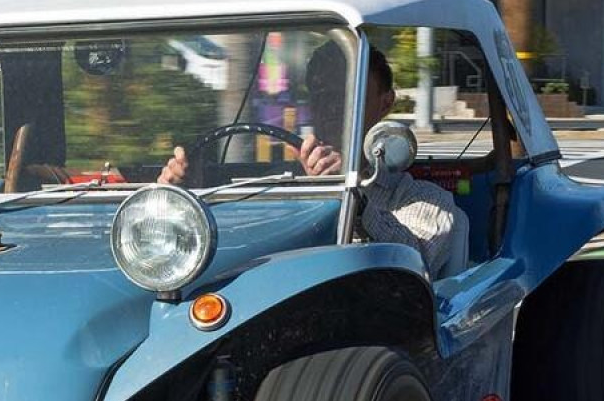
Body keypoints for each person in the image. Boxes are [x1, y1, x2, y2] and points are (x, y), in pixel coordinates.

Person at [156, 42, 465, 277]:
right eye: (320, 94)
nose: (330, 107)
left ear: (385, 103)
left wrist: (351, 195)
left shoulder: (420, 198)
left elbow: (414, 264)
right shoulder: (275, 186)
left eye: (346, 94)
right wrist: (179, 196)